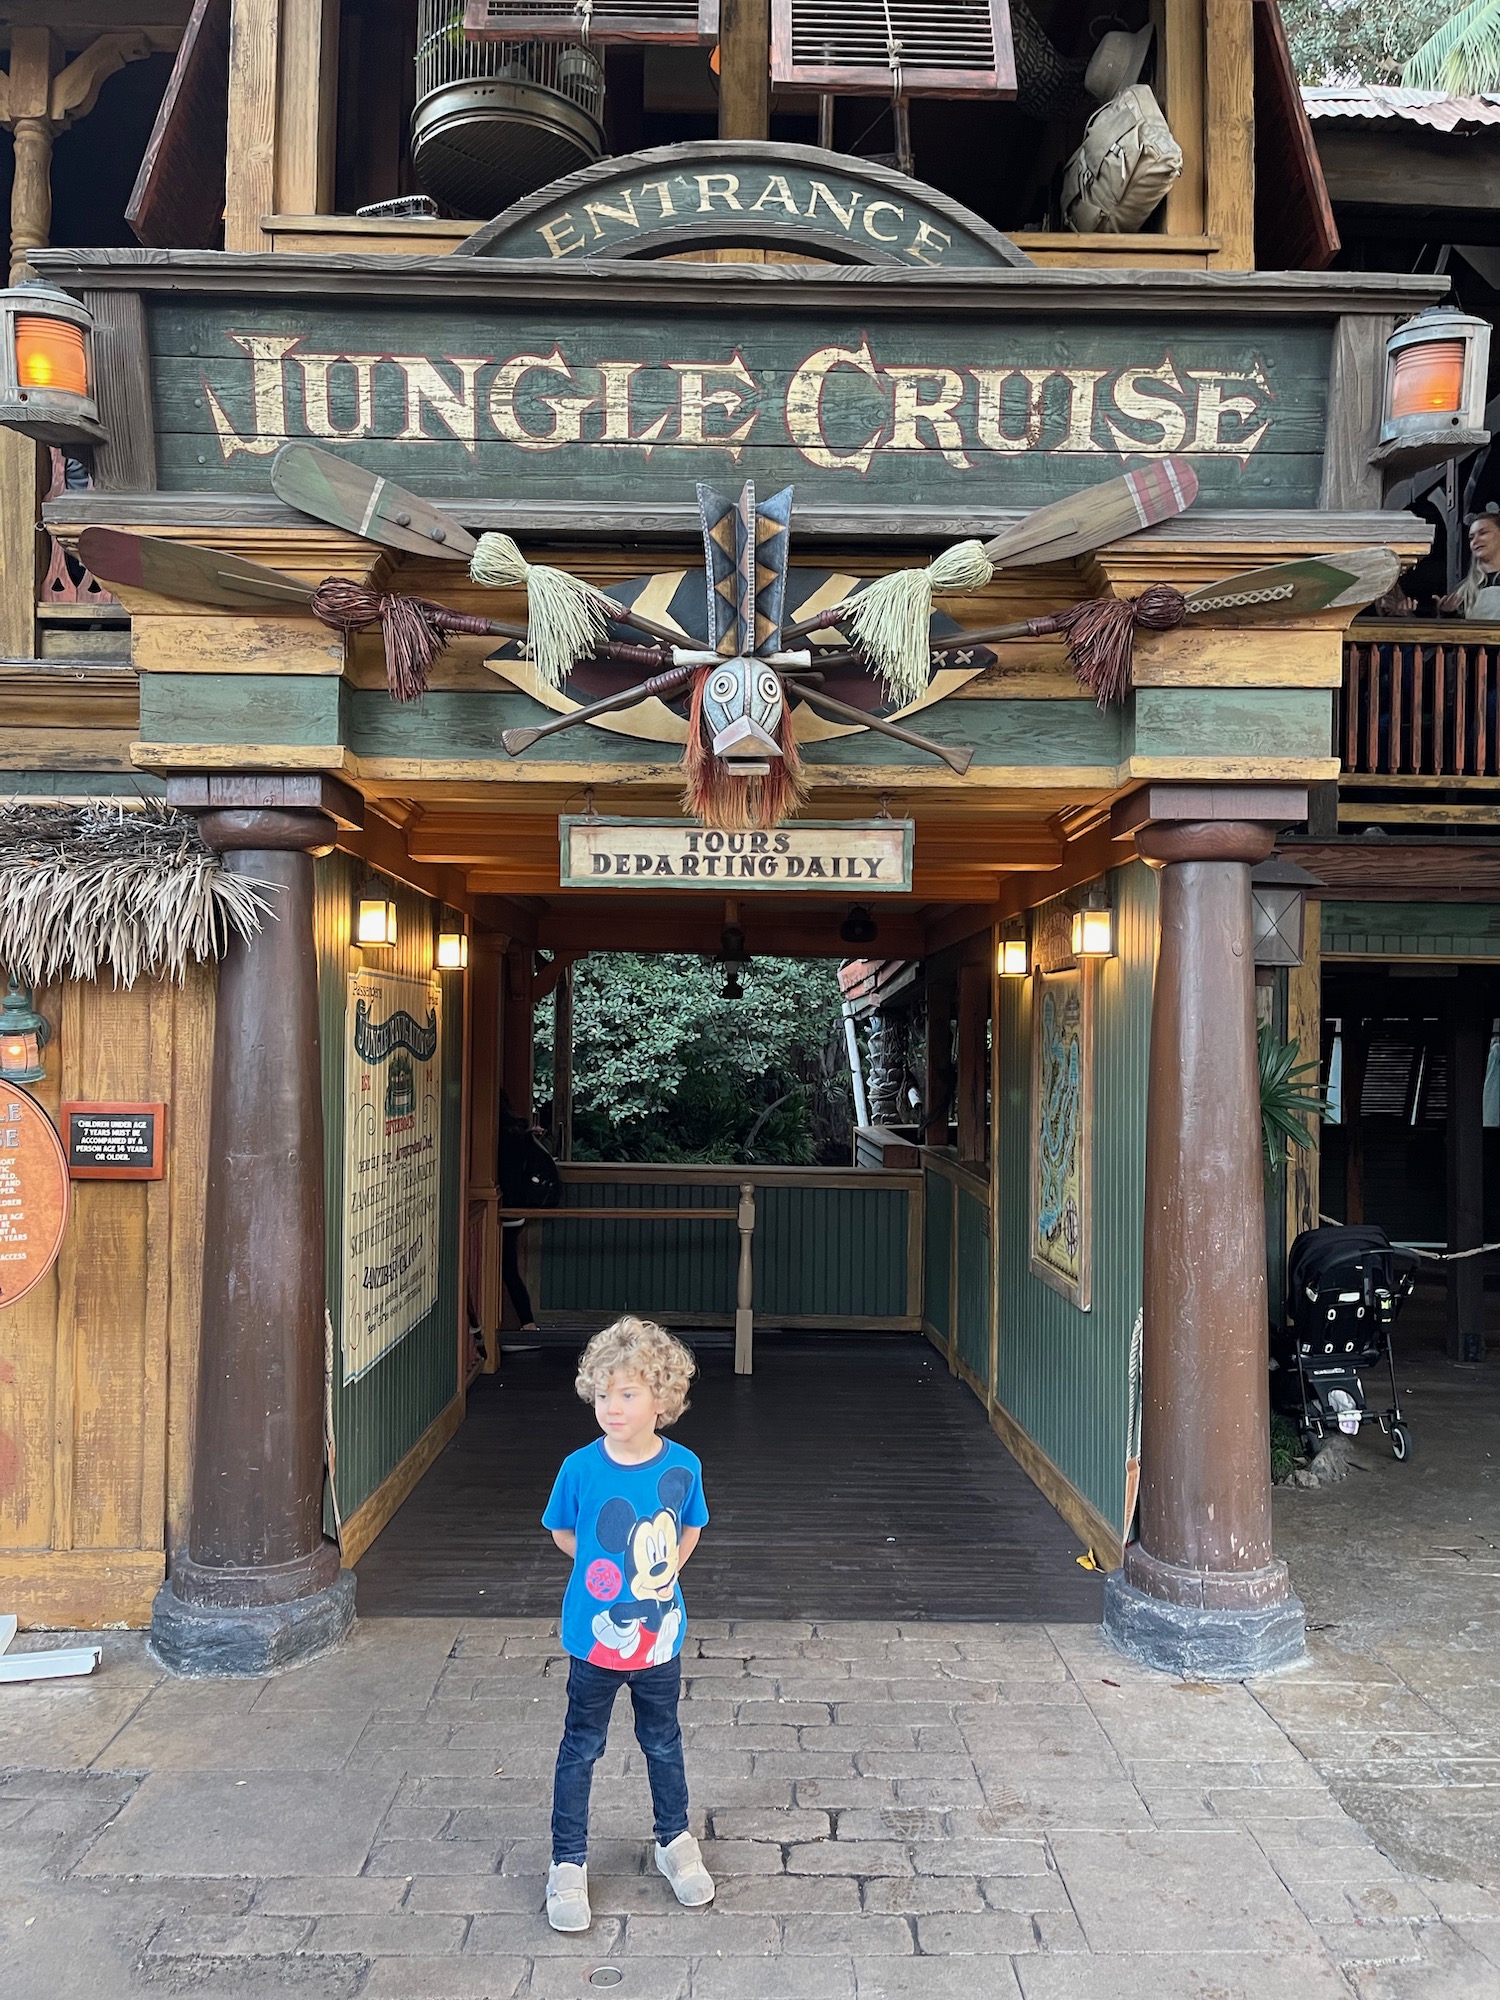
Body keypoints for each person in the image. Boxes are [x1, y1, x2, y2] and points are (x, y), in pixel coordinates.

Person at [541, 1317, 715, 1933]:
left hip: (661, 1639)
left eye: (628, 1394)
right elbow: (565, 1530)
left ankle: (674, 1840)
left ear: (661, 1399)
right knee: (580, 1747)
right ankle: (567, 1861)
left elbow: (691, 1523)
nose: (612, 1407)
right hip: (593, 1639)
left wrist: (666, 1573)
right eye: (603, 1393)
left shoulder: (684, 1467)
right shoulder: (579, 1468)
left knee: (663, 1741)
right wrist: (598, 1567)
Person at [497, 1093, 558, 1332]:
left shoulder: (502, 1137)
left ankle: (525, 1324)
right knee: (508, 1269)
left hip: (506, 1208)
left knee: (507, 1269)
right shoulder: (520, 1132)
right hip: (517, 1208)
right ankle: (525, 1323)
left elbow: (507, 1176)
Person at [1440, 502, 1500, 617]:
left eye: (1483, 533)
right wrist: (1447, 614)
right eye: (1471, 537)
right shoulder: (1463, 590)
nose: (1475, 541)